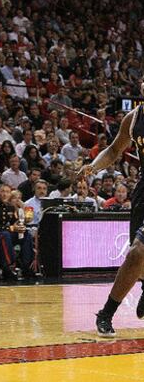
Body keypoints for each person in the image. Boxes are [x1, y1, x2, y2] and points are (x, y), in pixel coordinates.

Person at [78, 97, 144, 337]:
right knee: (137, 258)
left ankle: (106, 313)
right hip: (143, 191)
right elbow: (115, 149)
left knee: (139, 252)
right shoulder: (133, 118)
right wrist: (93, 167)